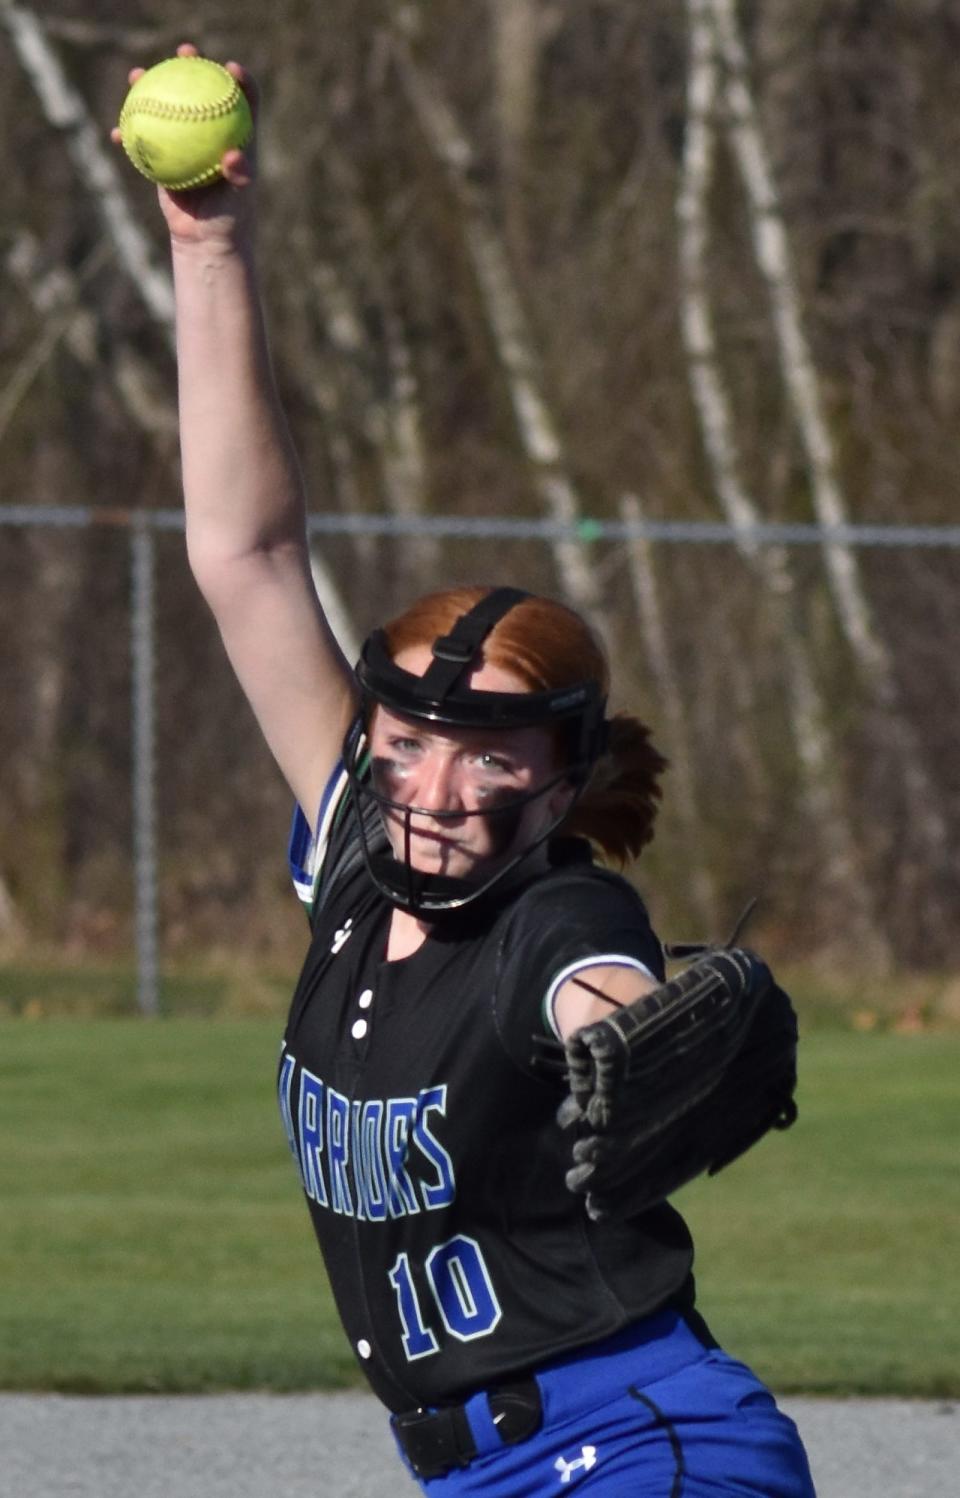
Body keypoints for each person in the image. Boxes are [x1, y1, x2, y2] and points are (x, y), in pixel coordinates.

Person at [120, 46, 816, 1494]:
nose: (432, 785)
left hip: (640, 1448)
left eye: (486, 755)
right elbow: (243, 558)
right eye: (408, 740)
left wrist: (633, 1020)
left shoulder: (554, 920)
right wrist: (210, 244)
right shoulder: (356, 854)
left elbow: (597, 989)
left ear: (560, 788)